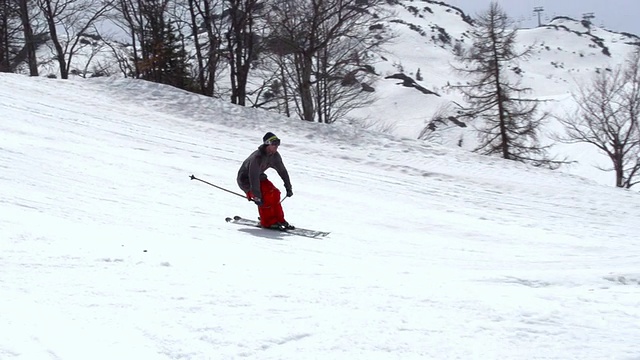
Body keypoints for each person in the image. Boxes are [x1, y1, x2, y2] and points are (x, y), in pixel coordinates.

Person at [237, 132, 294, 230]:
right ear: (267, 144)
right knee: (266, 196)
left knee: (275, 193)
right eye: (274, 143)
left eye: (278, 143)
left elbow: (282, 171)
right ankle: (267, 222)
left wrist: (288, 187)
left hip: (259, 177)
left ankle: (279, 219)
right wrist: (256, 196)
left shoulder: (274, 156)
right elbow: (253, 176)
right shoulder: (257, 157)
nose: (277, 146)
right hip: (246, 180)